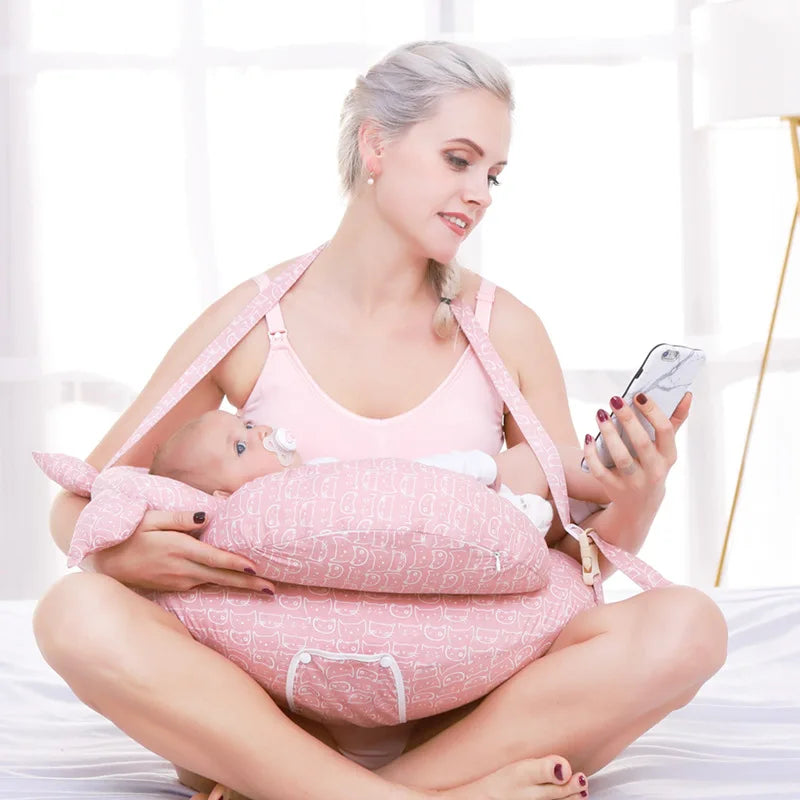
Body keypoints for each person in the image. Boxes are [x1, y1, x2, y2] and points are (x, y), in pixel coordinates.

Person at [32, 40, 728, 800]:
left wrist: (640, 491)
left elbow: (567, 559)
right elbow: (79, 502)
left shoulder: (506, 330)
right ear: (375, 144)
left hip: (471, 718)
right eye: (458, 160)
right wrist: (119, 554)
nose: (480, 193)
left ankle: (348, 791)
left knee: (688, 627)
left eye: (493, 174)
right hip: (268, 714)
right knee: (74, 612)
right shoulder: (252, 322)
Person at [147, 407, 595, 531]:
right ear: (226, 498)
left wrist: (471, 470)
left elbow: (402, 478)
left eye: (246, 424)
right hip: (439, 517)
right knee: (531, 463)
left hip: (442, 503)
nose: (261, 431)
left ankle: (603, 475)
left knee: (540, 459)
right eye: (242, 445)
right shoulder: (278, 512)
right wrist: (472, 469)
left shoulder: (315, 475)